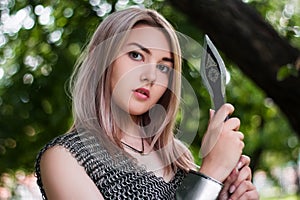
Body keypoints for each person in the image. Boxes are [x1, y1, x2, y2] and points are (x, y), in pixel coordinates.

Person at [35, 7, 259, 199]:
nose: (151, 76)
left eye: (163, 66)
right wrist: (211, 173)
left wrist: (222, 192)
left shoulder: (180, 159)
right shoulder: (63, 158)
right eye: (136, 55)